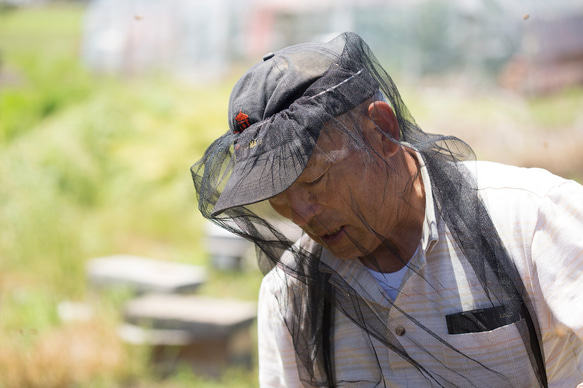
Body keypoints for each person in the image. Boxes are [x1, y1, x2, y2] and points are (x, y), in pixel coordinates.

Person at [191, 32, 583, 387]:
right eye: (279, 195)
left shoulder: (534, 217)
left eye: (314, 181)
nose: (301, 213)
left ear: (382, 130)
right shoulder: (290, 293)